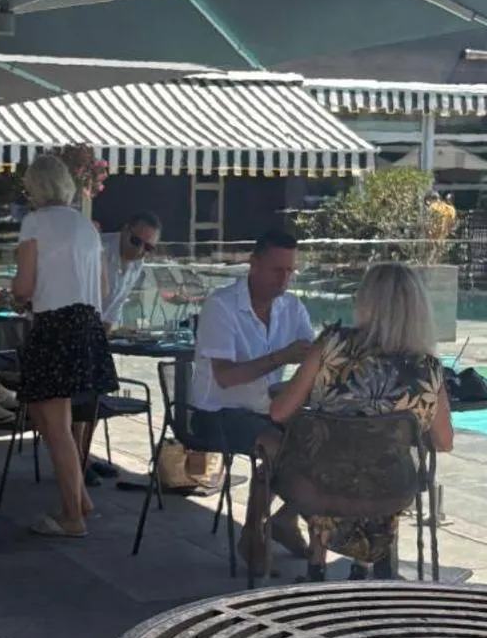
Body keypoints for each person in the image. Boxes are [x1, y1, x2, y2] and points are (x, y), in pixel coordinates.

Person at [250, 262, 453, 579]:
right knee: (374, 469)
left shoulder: (332, 345)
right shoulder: (428, 368)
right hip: (389, 492)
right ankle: (365, 566)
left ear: (366, 301)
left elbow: (279, 412)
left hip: (319, 487)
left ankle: (317, 567)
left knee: (316, 460)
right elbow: (444, 442)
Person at [11, 153, 117, 539]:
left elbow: (24, 287)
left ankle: (73, 517)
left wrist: (14, 297)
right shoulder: (87, 227)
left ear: (35, 187)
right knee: (52, 419)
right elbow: (104, 288)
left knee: (54, 426)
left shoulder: (35, 222)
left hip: (54, 326)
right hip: (87, 325)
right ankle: (80, 500)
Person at [189, 227, 316, 465]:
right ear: (254, 264)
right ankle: (280, 502)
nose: (284, 279)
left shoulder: (292, 306)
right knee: (278, 448)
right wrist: (280, 357)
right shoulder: (221, 306)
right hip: (216, 414)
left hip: (268, 409)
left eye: (290, 271)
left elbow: (314, 358)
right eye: (277, 270)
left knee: (319, 441)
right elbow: (225, 377)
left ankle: (287, 501)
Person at [101, 212, 160, 328]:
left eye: (148, 247)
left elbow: (114, 310)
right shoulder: (99, 249)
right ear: (125, 230)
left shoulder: (138, 262)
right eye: (135, 241)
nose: (139, 250)